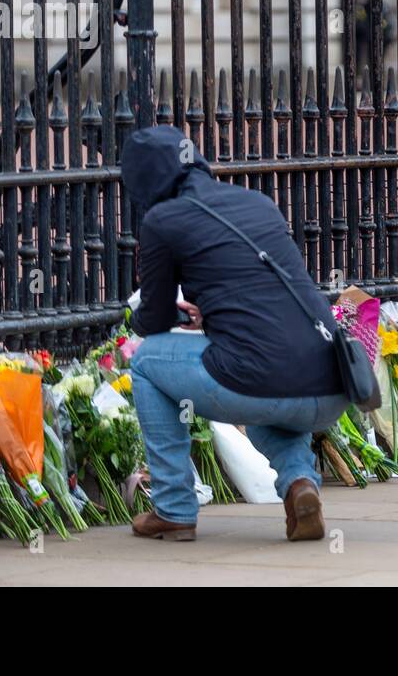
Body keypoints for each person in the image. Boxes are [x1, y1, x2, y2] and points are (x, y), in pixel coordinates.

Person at [120, 125, 346, 542]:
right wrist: (215, 314)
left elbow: (151, 322)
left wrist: (156, 317)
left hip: (262, 379)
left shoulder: (162, 219)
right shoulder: (257, 202)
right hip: (331, 383)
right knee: (268, 407)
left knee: (147, 361)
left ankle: (173, 509)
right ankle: (301, 485)